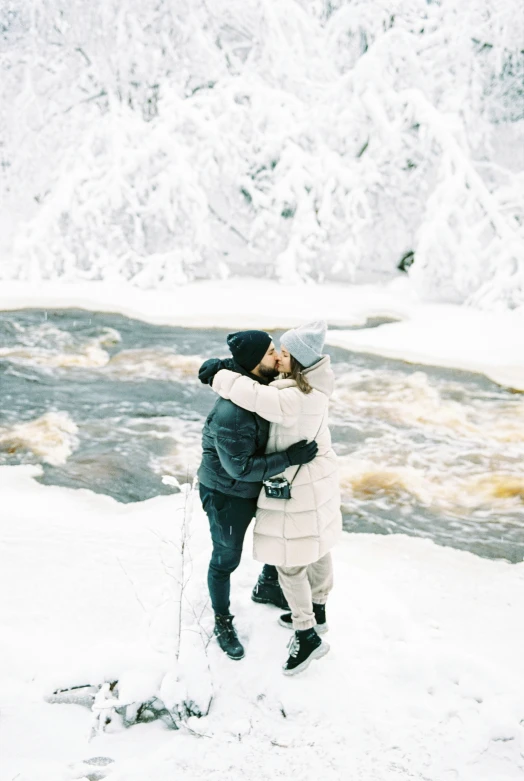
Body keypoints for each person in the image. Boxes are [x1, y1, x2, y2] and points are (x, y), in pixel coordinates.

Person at [207, 321, 342, 675]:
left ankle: (306, 633)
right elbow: (252, 371)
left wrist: (217, 374)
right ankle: (320, 609)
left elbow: (250, 392)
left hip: (299, 485)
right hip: (320, 481)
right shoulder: (317, 382)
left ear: (296, 360)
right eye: (274, 351)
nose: (279, 355)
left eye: (283, 351)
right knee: (318, 545)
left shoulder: (290, 397)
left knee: (290, 561)